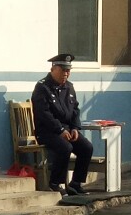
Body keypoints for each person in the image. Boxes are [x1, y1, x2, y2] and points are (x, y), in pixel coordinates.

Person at [31, 53, 92, 197]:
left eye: (68, 70)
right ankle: (55, 183)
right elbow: (43, 113)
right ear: (53, 69)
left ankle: (76, 183)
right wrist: (60, 130)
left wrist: (75, 128)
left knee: (86, 147)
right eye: (63, 70)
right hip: (47, 131)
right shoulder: (42, 87)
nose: (66, 74)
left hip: (67, 130)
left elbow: (75, 109)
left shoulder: (69, 87)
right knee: (65, 147)